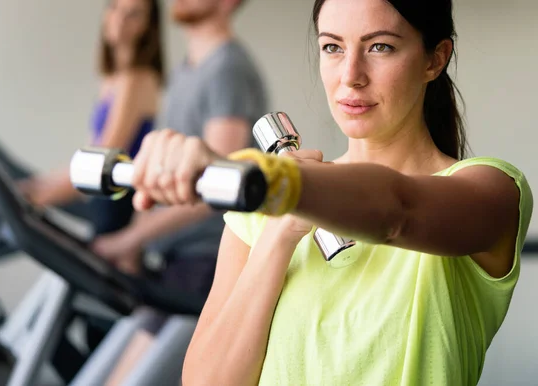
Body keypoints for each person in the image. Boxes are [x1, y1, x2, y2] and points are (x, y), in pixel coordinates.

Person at [121, 0, 534, 385]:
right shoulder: (268, 206)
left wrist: (273, 183)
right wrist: (278, 234)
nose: (350, 74)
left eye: (380, 47)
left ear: (434, 59)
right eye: (333, 47)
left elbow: (396, 210)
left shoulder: (492, 190)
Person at [91, 0, 267, 383]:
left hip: (204, 265)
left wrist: (129, 238)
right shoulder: (187, 69)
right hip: (173, 260)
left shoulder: (228, 69)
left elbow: (216, 186)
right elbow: (155, 175)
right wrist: (135, 239)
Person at [20, 0, 163, 268]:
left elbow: (99, 160)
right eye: (114, 7)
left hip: (118, 210)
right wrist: (35, 185)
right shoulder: (112, 79)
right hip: (101, 203)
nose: (120, 19)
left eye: (134, 14)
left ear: (148, 27)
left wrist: (38, 196)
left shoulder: (137, 79)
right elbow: (87, 154)